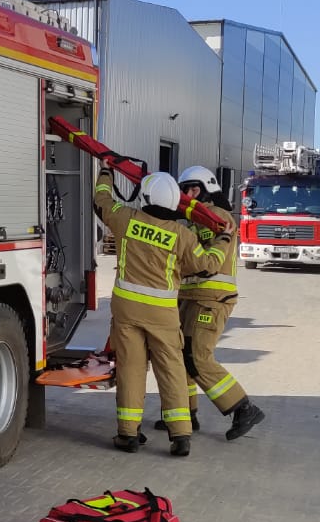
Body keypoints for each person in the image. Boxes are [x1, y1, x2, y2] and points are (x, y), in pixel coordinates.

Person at [94, 165, 232, 457]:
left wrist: (106, 173)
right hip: (164, 314)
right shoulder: (182, 235)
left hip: (127, 311)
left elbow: (101, 201)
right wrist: (224, 240)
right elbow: (207, 265)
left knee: (131, 368)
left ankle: (128, 434)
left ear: (145, 197)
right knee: (171, 369)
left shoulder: (126, 218)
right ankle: (180, 436)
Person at [152, 166, 266, 441]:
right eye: (184, 190)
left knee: (197, 357)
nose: (188, 195)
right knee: (181, 356)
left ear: (205, 189)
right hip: (191, 297)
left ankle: (243, 408)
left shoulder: (217, 217)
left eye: (192, 189)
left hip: (212, 299)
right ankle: (185, 414)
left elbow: (204, 259)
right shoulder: (193, 221)